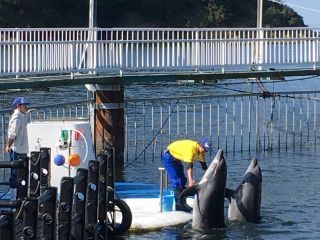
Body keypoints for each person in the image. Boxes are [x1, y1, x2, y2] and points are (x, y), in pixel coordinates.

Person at [162, 138, 212, 212]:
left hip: (176, 158)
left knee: (182, 180)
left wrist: (209, 178)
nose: (205, 151)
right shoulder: (191, 149)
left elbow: (204, 167)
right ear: (200, 145)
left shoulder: (201, 153)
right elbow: (189, 166)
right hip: (169, 157)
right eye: (204, 149)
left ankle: (182, 203)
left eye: (207, 150)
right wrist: (190, 180)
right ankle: (179, 206)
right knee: (177, 182)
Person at [4, 97, 31, 200]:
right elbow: (12, 134)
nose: (26, 107)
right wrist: (8, 146)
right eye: (24, 105)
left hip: (22, 149)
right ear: (18, 106)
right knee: (15, 173)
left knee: (22, 173)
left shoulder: (22, 116)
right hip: (17, 149)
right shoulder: (17, 117)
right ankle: (13, 197)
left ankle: (20, 195)